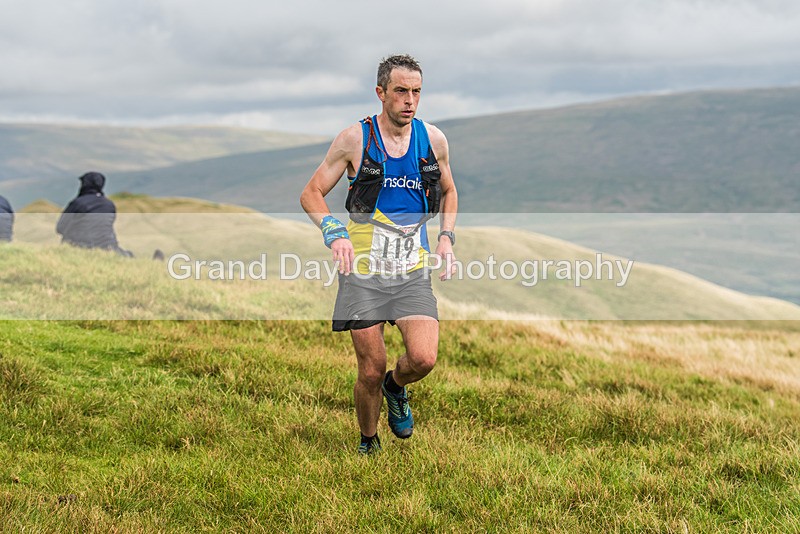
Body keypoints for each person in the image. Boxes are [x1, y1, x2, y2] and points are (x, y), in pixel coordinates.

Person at [300, 54, 458, 455]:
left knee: (423, 358)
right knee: (369, 369)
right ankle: (368, 442)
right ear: (381, 92)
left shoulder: (433, 140)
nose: (410, 100)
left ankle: (396, 386)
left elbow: (449, 191)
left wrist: (446, 238)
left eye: (417, 92)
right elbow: (311, 193)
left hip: (411, 272)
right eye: (401, 91)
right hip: (363, 274)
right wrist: (334, 233)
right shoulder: (355, 139)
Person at [56, 172, 133, 257]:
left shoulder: (78, 203)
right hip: (109, 247)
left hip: (80, 247)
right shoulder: (109, 205)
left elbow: (60, 228)